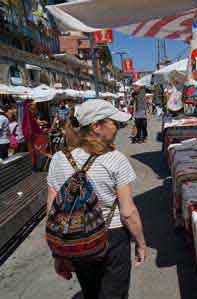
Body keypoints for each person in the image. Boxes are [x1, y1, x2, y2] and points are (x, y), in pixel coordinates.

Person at [47, 99, 148, 299]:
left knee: (90, 292)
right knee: (115, 294)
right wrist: (141, 243)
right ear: (96, 126)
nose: (118, 128)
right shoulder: (115, 159)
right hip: (112, 237)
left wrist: (58, 254)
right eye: (114, 123)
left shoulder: (59, 158)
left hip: (77, 237)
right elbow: (127, 212)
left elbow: (51, 209)